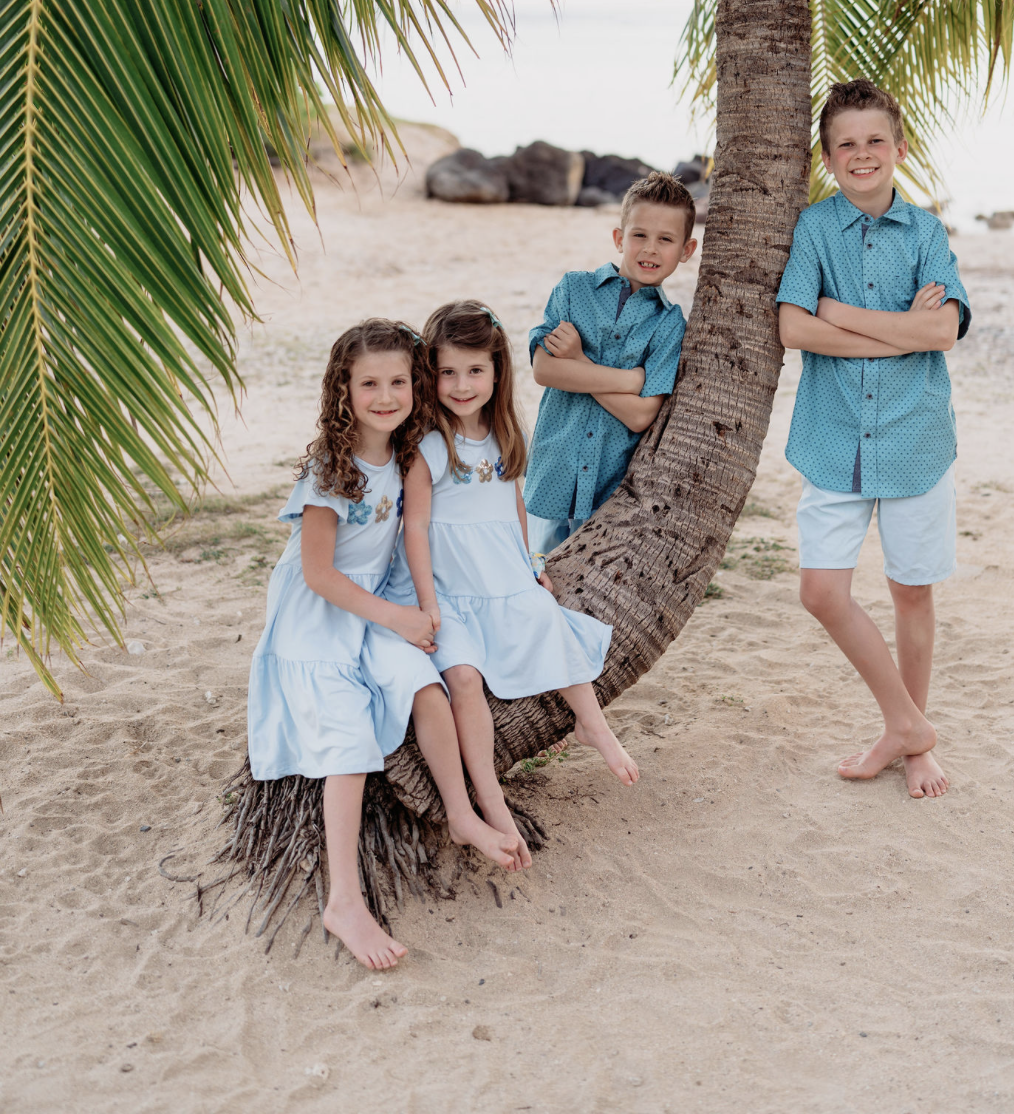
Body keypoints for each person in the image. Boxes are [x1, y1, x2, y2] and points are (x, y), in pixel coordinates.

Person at [247, 318, 518, 971]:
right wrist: (396, 619)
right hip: (318, 619)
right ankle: (344, 898)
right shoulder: (329, 472)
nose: (386, 395)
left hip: (376, 610)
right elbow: (318, 575)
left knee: (426, 688)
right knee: (348, 742)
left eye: (399, 381)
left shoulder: (407, 455)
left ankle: (460, 812)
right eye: (369, 383)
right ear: (343, 389)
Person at [383, 300, 638, 871]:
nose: (461, 384)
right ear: (430, 373)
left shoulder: (503, 435)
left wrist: (528, 562)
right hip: (447, 587)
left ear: (497, 371)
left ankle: (594, 725)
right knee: (465, 681)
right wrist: (426, 604)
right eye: (447, 371)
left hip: (499, 570)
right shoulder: (426, 446)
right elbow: (415, 529)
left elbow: (512, 505)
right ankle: (489, 798)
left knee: (546, 618)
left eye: (475, 370)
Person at [777, 79, 971, 799]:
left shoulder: (925, 233)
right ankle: (908, 724)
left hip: (916, 439)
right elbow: (794, 327)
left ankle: (912, 743)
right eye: (847, 145)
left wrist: (843, 315)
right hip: (833, 439)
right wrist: (898, 332)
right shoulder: (813, 230)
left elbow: (944, 331)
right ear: (828, 157)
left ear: (900, 147)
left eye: (875, 141)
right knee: (822, 592)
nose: (863, 154)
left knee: (910, 592)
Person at [524, 172, 698, 558]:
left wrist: (580, 362)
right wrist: (629, 379)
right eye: (640, 235)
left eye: (666, 240)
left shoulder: (669, 325)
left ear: (686, 250)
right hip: (551, 476)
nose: (650, 249)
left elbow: (640, 416)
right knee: (533, 581)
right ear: (619, 238)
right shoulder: (574, 289)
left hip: (608, 491)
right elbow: (545, 371)